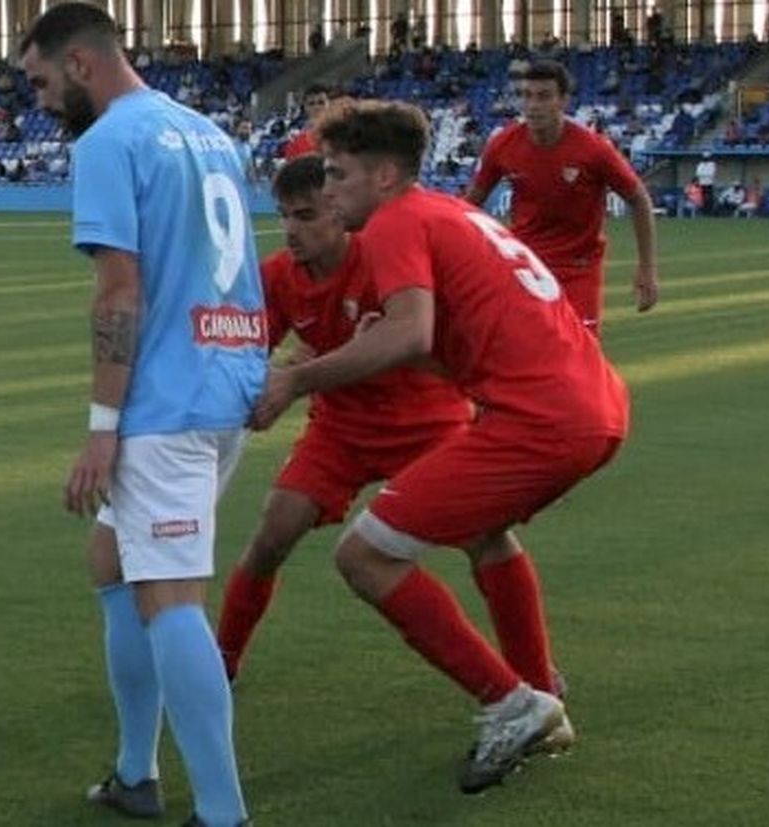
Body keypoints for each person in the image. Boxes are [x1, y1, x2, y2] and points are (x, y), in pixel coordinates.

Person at [253, 100, 629, 794]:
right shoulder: (451, 212)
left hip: (540, 418)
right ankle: (540, 690)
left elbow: (410, 335)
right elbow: (440, 346)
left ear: (386, 173)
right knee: (487, 535)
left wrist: (295, 380)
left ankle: (511, 701)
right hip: (594, 405)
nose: (327, 190)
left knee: (364, 555)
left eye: (337, 175)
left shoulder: (397, 220)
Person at [20, 5, 264, 825]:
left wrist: (101, 427)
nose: (42, 101)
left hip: (167, 402)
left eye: (43, 82)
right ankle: (135, 770)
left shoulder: (108, 142)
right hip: (226, 379)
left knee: (169, 594)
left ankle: (224, 812)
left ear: (82, 64)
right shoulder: (207, 132)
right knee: (112, 561)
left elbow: (119, 290)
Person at [215, 156, 473, 682]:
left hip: (427, 420)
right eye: (284, 215)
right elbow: (246, 356)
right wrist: (259, 393)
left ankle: (534, 675)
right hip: (341, 430)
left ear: (338, 209)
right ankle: (221, 663)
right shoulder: (279, 276)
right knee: (271, 535)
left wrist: (327, 365)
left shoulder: (387, 261)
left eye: (305, 215)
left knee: (487, 538)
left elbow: (438, 348)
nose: (290, 229)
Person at [464, 60, 659, 334]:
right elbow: (469, 205)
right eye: (527, 96)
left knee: (580, 359)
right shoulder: (503, 145)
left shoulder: (593, 149)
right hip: (525, 265)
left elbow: (638, 198)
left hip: (578, 268)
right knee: (523, 352)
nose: (533, 105)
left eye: (544, 97)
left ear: (564, 101)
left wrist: (647, 268)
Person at [280, 85, 331, 160]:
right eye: (311, 103)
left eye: (321, 102)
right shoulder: (295, 143)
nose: (317, 107)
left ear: (329, 104)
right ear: (305, 107)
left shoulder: (344, 131)